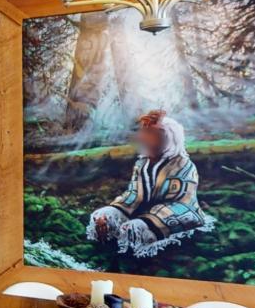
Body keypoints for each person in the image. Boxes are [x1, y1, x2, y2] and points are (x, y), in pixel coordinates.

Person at [88, 109, 213, 257]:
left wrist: (146, 222)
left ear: (168, 137)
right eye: (143, 131)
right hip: (146, 212)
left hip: (180, 214)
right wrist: (108, 214)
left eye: (150, 133)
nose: (141, 137)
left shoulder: (183, 166)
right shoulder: (141, 165)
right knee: (102, 216)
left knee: (135, 229)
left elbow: (180, 204)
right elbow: (133, 196)